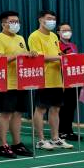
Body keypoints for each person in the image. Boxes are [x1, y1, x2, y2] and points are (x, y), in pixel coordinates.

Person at [0, 10, 35, 158]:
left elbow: (23, 56)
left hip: (21, 81)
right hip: (6, 82)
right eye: (12, 22)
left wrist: (31, 54)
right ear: (3, 24)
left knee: (18, 114)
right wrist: (17, 55)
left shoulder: (20, 38)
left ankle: (17, 143)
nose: (16, 24)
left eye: (17, 21)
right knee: (5, 114)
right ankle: (2, 145)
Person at [29, 10, 70, 150]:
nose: (52, 21)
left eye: (53, 19)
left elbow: (57, 53)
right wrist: (60, 58)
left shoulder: (53, 36)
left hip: (57, 78)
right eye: (49, 18)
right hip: (43, 78)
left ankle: (55, 138)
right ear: (40, 20)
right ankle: (40, 140)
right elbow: (38, 57)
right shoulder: (34, 36)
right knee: (41, 109)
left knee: (56, 109)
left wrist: (65, 57)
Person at [57, 21, 81, 142]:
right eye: (64, 30)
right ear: (58, 32)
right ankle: (61, 131)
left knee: (72, 106)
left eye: (69, 30)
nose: (67, 32)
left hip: (74, 78)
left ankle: (69, 130)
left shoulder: (73, 45)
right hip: (62, 78)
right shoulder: (57, 45)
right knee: (63, 106)